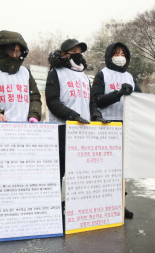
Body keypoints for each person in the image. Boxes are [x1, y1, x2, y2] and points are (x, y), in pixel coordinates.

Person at [46, 39, 108, 187]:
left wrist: (96, 115)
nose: (78, 55)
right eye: (73, 52)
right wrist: (72, 115)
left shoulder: (84, 76)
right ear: (64, 54)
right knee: (59, 171)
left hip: (83, 130)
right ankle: (57, 205)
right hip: (62, 128)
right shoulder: (56, 73)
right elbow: (52, 101)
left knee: (81, 171)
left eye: (80, 52)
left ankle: (77, 208)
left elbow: (91, 101)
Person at [91, 42, 141, 219]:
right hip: (106, 126)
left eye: (123, 54)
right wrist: (118, 94)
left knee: (121, 169)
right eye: (116, 53)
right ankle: (102, 204)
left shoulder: (130, 76)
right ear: (109, 56)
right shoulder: (102, 74)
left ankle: (120, 203)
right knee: (105, 168)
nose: (120, 57)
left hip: (125, 127)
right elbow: (96, 100)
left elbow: (141, 100)